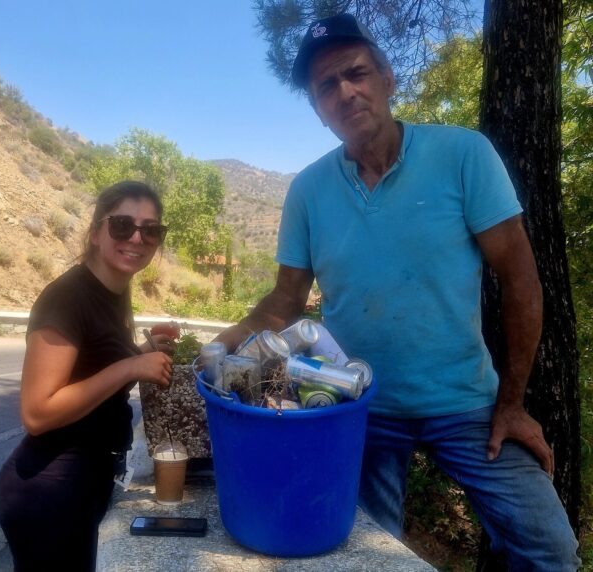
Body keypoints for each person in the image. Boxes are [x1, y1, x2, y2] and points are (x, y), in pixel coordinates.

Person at [215, 13, 580, 570]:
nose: (345, 92)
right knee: (362, 552)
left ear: (387, 77)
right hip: (357, 404)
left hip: (467, 403)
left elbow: (520, 280)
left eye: (356, 73)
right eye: (326, 86)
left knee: (550, 548)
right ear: (318, 109)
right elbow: (284, 301)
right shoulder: (308, 190)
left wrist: (512, 403)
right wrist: (216, 350)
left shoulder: (463, 155)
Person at [0, 180, 175, 571]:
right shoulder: (67, 298)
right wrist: (130, 366)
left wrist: (142, 352)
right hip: (49, 491)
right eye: (123, 225)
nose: (137, 238)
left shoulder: (111, 292)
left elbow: (93, 372)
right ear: (96, 232)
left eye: (151, 230)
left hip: (85, 481)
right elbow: (37, 412)